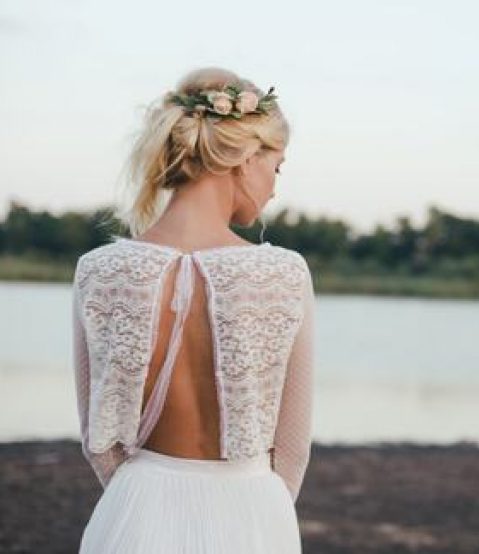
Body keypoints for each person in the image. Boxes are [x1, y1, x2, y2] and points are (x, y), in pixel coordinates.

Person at [71, 66, 315, 553]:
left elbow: (99, 441)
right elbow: (291, 453)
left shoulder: (99, 271)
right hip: (251, 516)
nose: (275, 186)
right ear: (245, 158)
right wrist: (257, 512)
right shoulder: (284, 275)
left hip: (134, 512)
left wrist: (144, 497)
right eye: (277, 165)